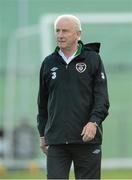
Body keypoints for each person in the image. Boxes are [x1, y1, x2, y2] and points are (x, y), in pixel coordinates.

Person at [37, 14, 110, 179]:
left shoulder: (93, 59)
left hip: (87, 140)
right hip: (57, 140)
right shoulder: (48, 63)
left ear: (78, 34)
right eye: (57, 31)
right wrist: (43, 134)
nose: (60, 35)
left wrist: (94, 122)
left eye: (65, 31)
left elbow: (102, 98)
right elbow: (42, 103)